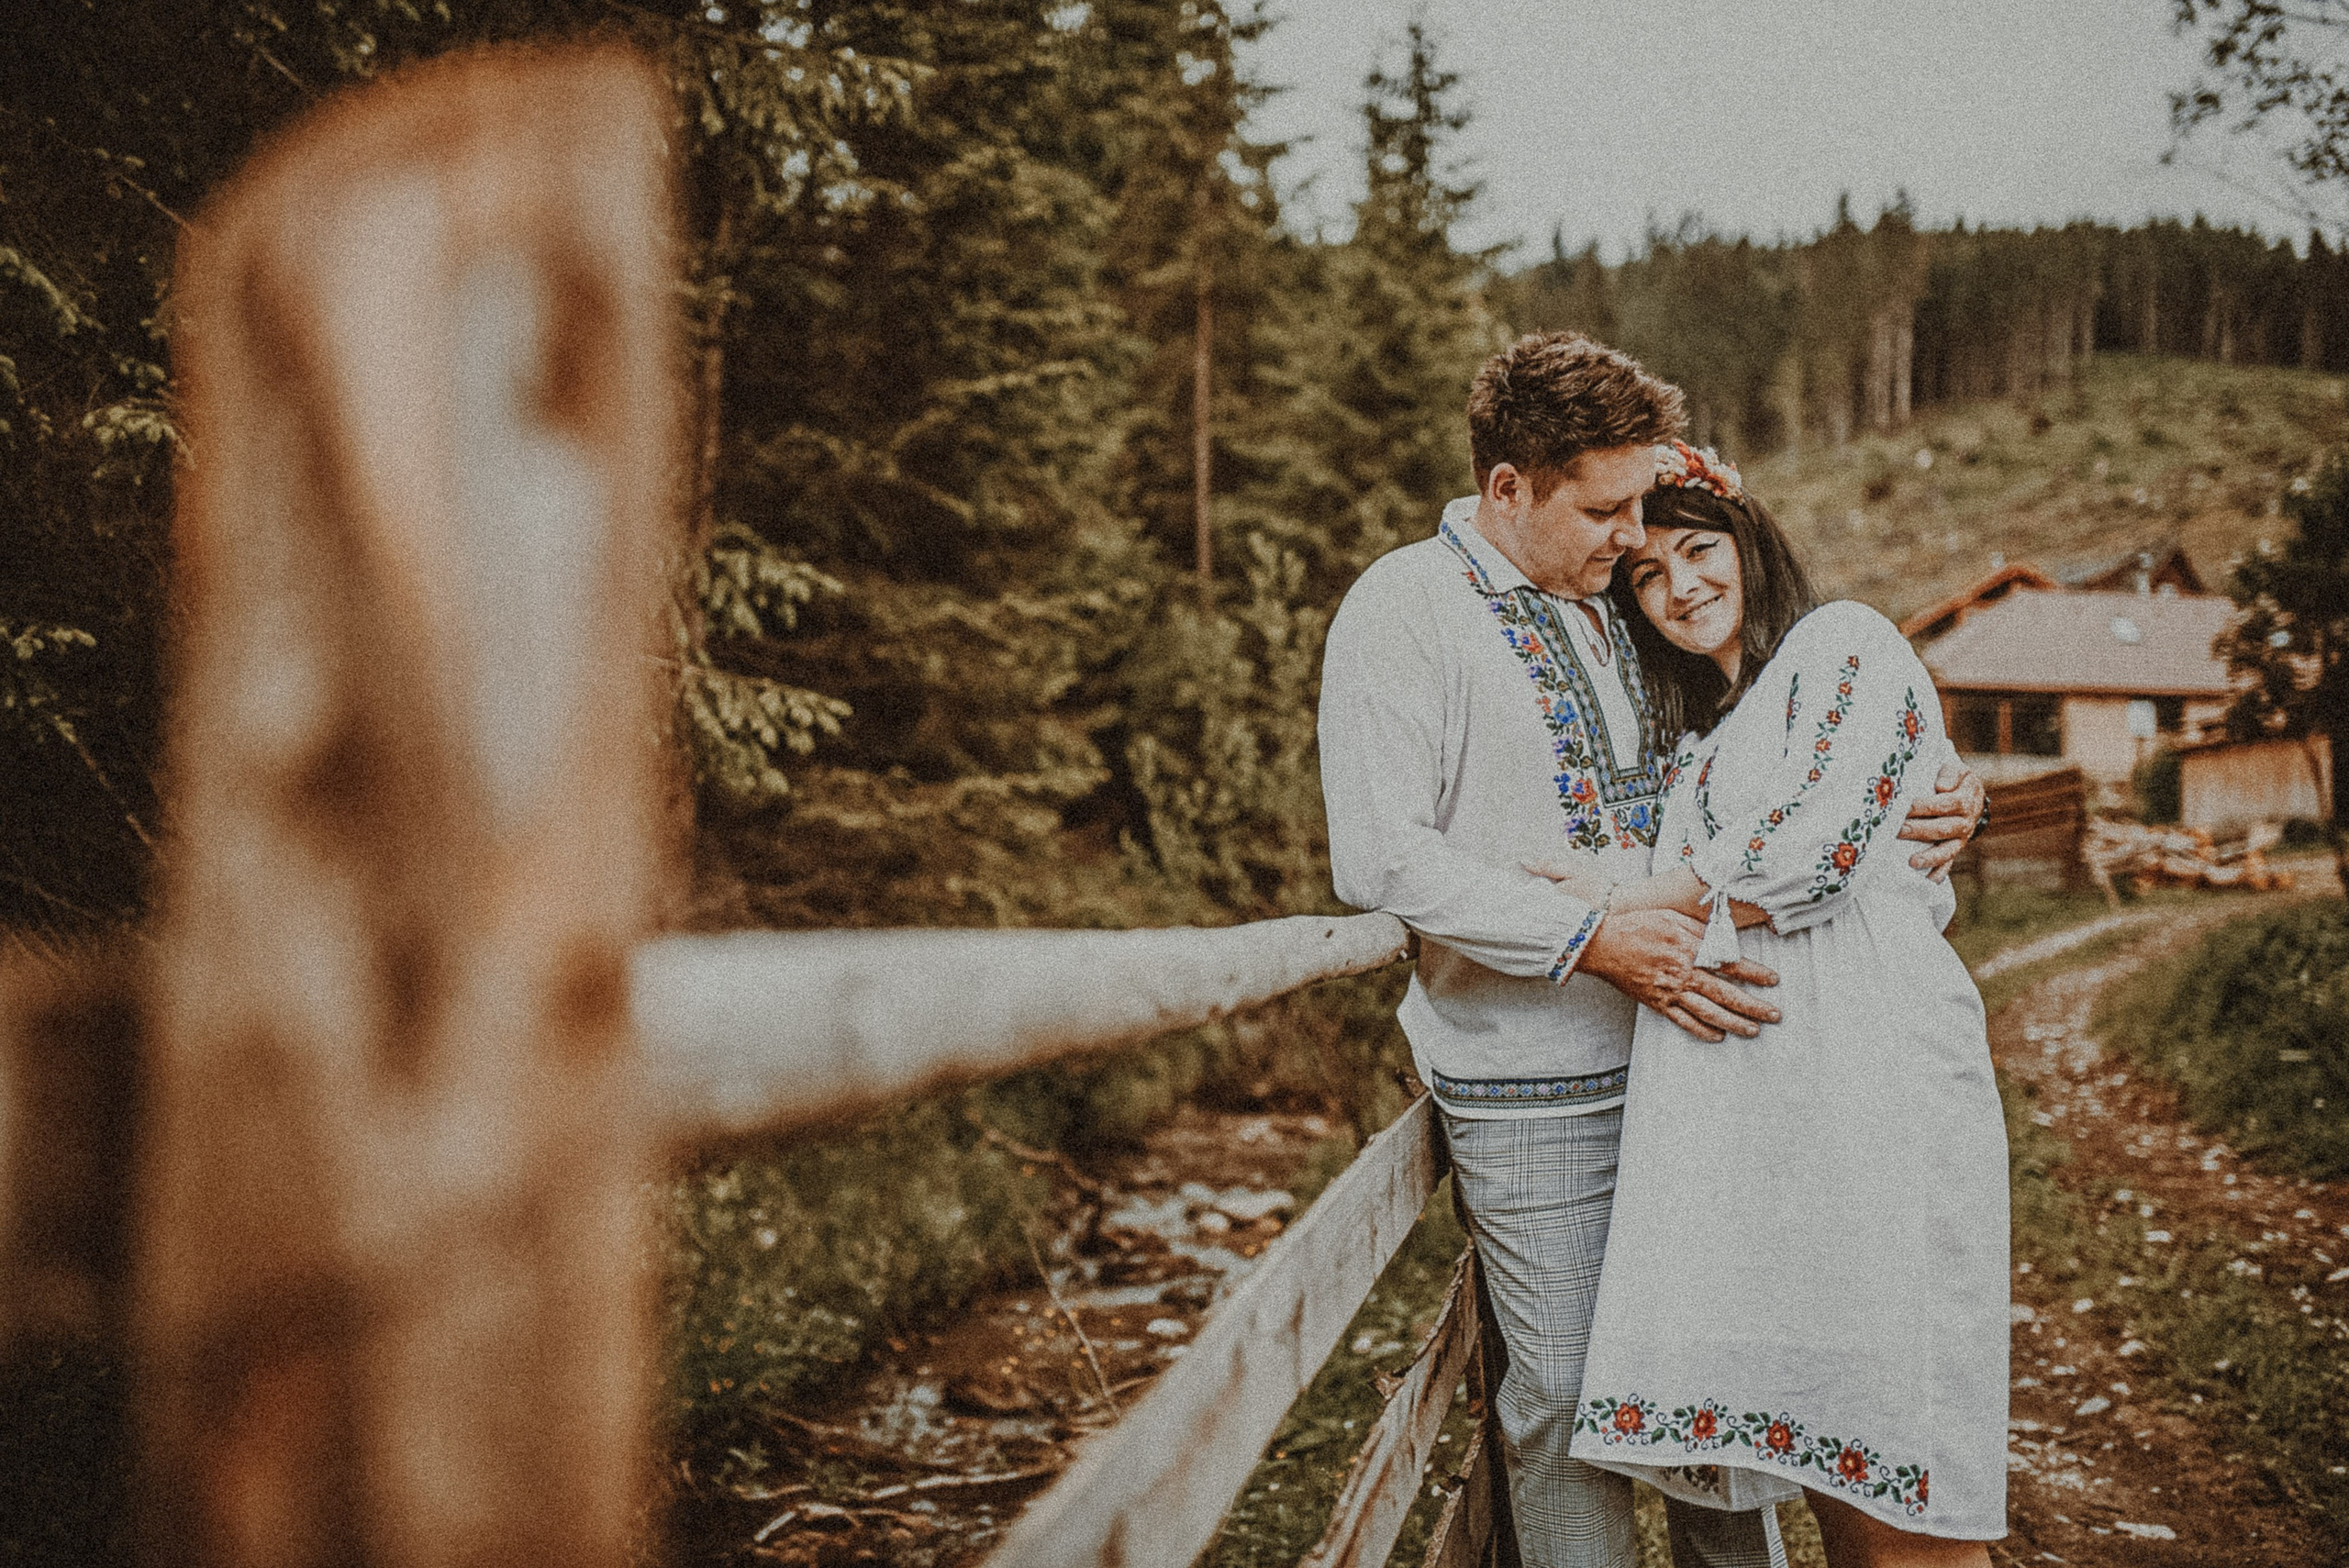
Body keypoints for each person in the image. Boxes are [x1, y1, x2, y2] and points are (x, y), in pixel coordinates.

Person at [1317, 331, 1985, 1568]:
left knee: (1715, 1406)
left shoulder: (1615, 601)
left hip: (1701, 1074)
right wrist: (1592, 936)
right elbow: (1380, 856)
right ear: (1506, 488)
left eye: (1649, 509)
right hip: (1536, 1087)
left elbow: (1776, 742)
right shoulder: (1404, 610)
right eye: (1608, 509)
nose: (1635, 540)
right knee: (1572, 1410)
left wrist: (1940, 789)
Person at [1553, 442, 2008, 1568]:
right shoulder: (1706, 738)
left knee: (1905, 1466)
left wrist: (1606, 900)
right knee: (1834, 1466)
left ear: (1751, 541)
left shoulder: (1842, 641)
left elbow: (1815, 852)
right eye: (1647, 576)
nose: (1680, 588)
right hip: (1773, 1130)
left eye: (1699, 549)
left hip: (1869, 1083)